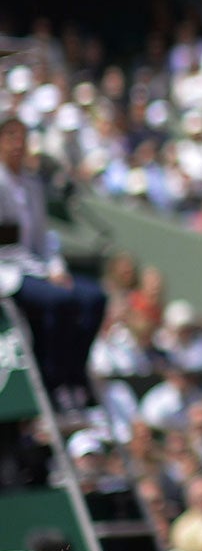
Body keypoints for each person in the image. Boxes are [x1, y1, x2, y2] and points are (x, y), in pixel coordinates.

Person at [0, 115, 107, 409]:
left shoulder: (32, 185)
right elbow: (6, 246)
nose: (17, 144)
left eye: (22, 137)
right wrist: (46, 271)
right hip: (9, 272)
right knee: (61, 301)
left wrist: (55, 266)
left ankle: (75, 372)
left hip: (35, 268)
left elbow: (43, 237)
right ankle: (52, 376)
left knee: (94, 297)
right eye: (10, 137)